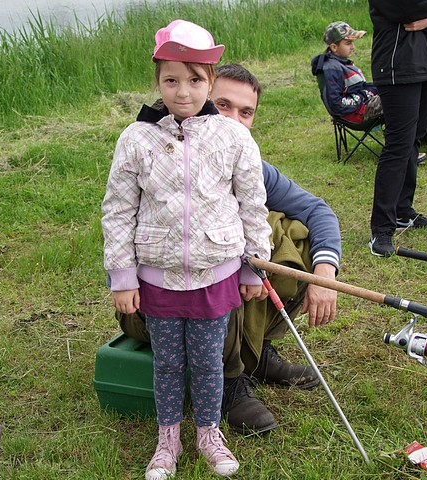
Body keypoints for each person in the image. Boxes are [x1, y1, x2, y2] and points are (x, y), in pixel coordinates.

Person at [118, 64, 342, 435]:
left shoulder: (247, 160)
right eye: (223, 105)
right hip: (156, 304)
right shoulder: (150, 148)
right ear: (202, 96)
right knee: (225, 257)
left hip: (215, 299)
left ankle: (257, 350)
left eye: (246, 112)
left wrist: (324, 275)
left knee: (290, 235)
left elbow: (318, 211)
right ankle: (229, 382)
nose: (233, 120)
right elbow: (119, 217)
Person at [101, 20, 272, 480]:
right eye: (171, 80)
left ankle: (209, 434)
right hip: (157, 279)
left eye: (195, 80)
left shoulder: (234, 137)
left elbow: (252, 205)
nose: (183, 91)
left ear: (210, 82)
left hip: (216, 275)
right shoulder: (135, 139)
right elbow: (118, 210)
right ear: (157, 81)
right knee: (168, 364)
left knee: (209, 361)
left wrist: (254, 267)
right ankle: (168, 440)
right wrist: (122, 277)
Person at [367, 0, 427, 257]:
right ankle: (381, 228)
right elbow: (407, 8)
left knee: (414, 140)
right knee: (398, 146)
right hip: (398, 67)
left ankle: (403, 211)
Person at [310, 21, 383, 124]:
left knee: (398, 90)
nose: (353, 47)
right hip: (357, 113)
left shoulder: (341, 64)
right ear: (334, 47)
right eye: (348, 43)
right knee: (398, 97)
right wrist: (365, 95)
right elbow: (336, 105)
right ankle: (399, 133)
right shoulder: (331, 68)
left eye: (352, 42)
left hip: (362, 106)